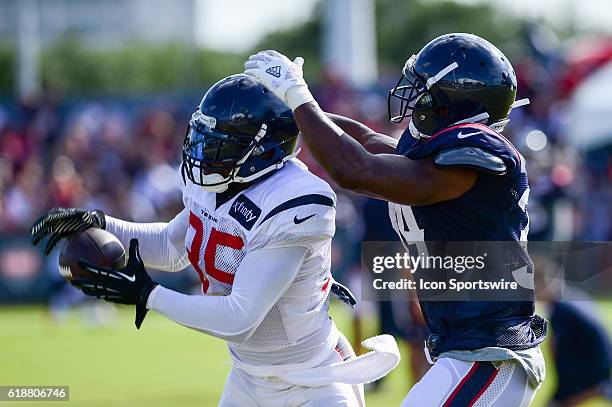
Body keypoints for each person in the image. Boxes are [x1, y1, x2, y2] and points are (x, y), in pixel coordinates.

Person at [31, 74, 400, 407]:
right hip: (248, 377)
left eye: (219, 144)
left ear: (260, 150)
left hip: (314, 380)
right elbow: (175, 246)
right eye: (203, 138)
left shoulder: (296, 199)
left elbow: (240, 317)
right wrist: (101, 222)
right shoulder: (215, 182)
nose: (204, 154)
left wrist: (148, 294)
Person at [243, 33, 548, 406]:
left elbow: (356, 169)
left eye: (422, 86)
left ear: (450, 99)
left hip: (490, 357)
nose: (412, 95)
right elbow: (368, 142)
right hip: (468, 354)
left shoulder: (470, 159)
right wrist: (289, 110)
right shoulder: (436, 160)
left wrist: (299, 97)